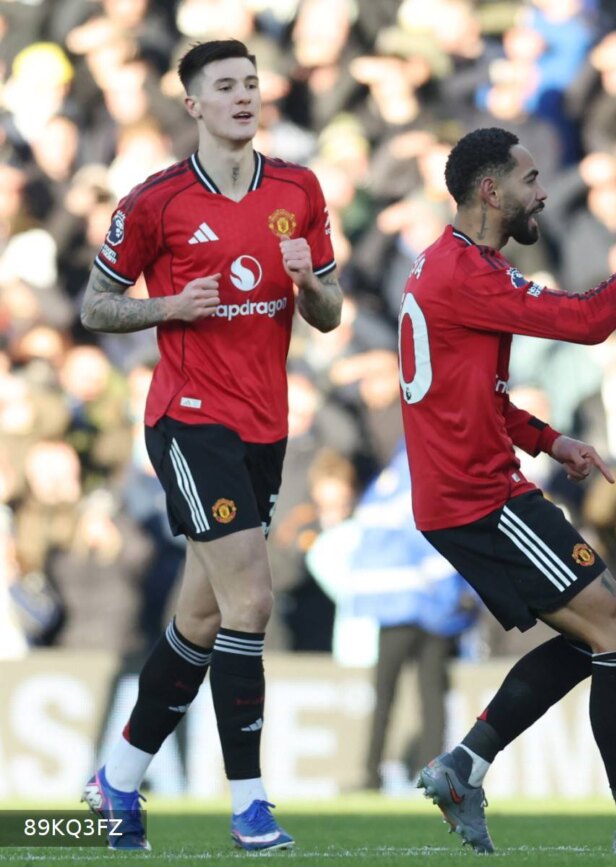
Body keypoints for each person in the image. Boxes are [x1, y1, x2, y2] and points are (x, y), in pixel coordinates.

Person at [397, 127, 616, 857]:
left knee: (596, 638)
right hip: (479, 498)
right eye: (530, 178)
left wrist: (551, 440)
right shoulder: (468, 274)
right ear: (491, 191)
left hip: (475, 491)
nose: (542, 192)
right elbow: (590, 321)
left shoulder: (447, 267)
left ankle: (464, 766)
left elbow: (472, 394)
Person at [78, 40, 343, 852]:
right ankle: (250, 803)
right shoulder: (155, 202)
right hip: (189, 420)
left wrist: (310, 283)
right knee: (251, 603)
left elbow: (330, 315)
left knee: (200, 615)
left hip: (268, 425)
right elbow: (95, 305)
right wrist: (168, 308)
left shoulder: (298, 189)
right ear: (192, 104)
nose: (243, 96)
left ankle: (113, 783)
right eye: (224, 86)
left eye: (252, 85)